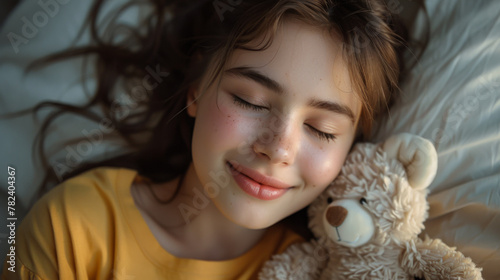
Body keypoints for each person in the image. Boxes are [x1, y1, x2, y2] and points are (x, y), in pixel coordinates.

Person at [2, 0, 406, 279]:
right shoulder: (75, 227)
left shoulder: (325, 270)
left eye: (322, 129)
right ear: (196, 89)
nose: (277, 148)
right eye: (249, 100)